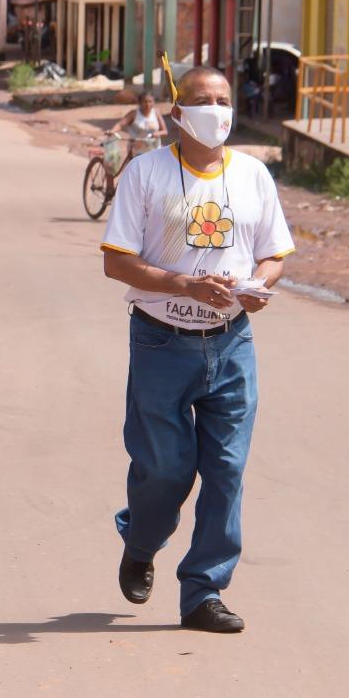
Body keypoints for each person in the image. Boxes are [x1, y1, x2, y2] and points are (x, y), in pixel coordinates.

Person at [100, 66, 295, 634]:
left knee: (227, 469)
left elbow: (275, 253)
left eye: (224, 99)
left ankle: (202, 592)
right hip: (161, 339)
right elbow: (116, 261)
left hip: (232, 343)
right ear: (178, 111)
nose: (217, 109)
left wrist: (259, 284)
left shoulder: (254, 175)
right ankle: (141, 540)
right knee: (166, 467)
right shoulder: (146, 173)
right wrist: (185, 285)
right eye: (203, 100)